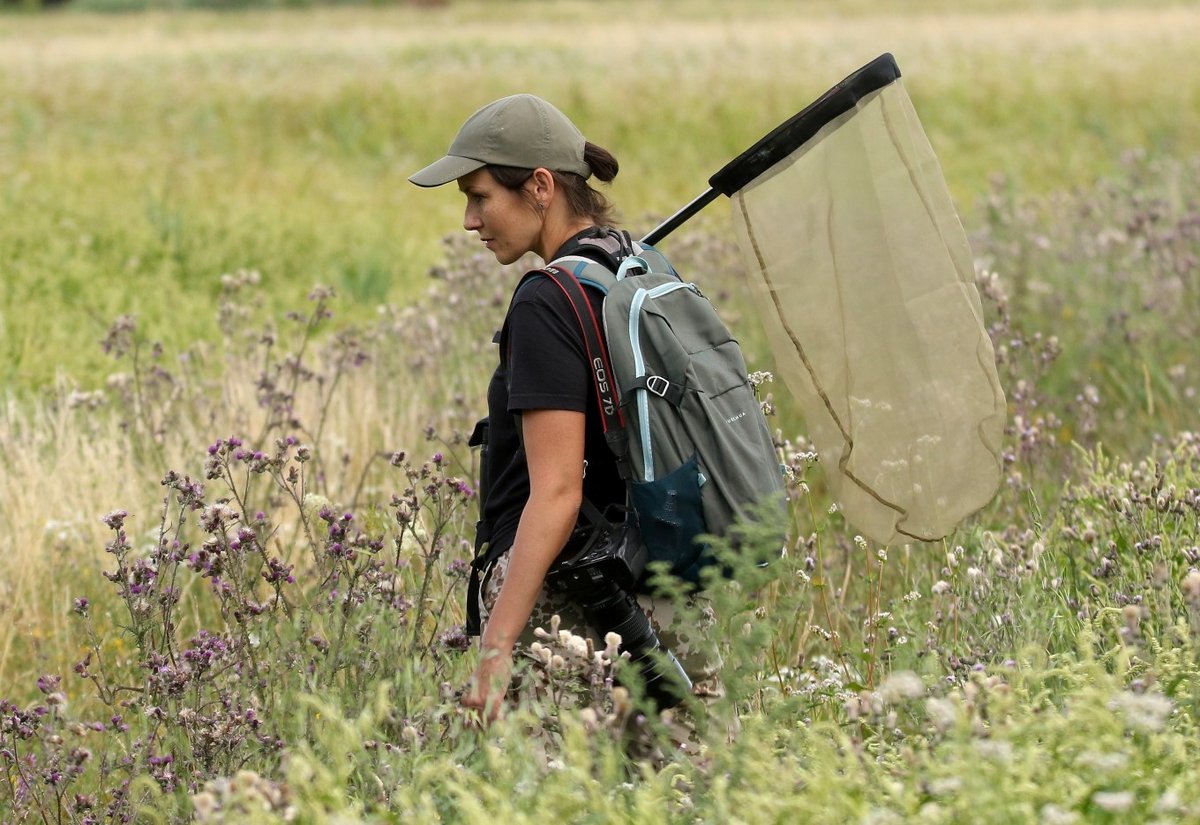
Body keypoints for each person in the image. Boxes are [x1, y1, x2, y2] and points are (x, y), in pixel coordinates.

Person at [409, 94, 706, 724]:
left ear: (540, 186)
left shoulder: (547, 302)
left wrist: (496, 647)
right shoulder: (636, 267)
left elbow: (557, 494)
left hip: (568, 611)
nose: (469, 219)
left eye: (480, 195)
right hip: (654, 591)